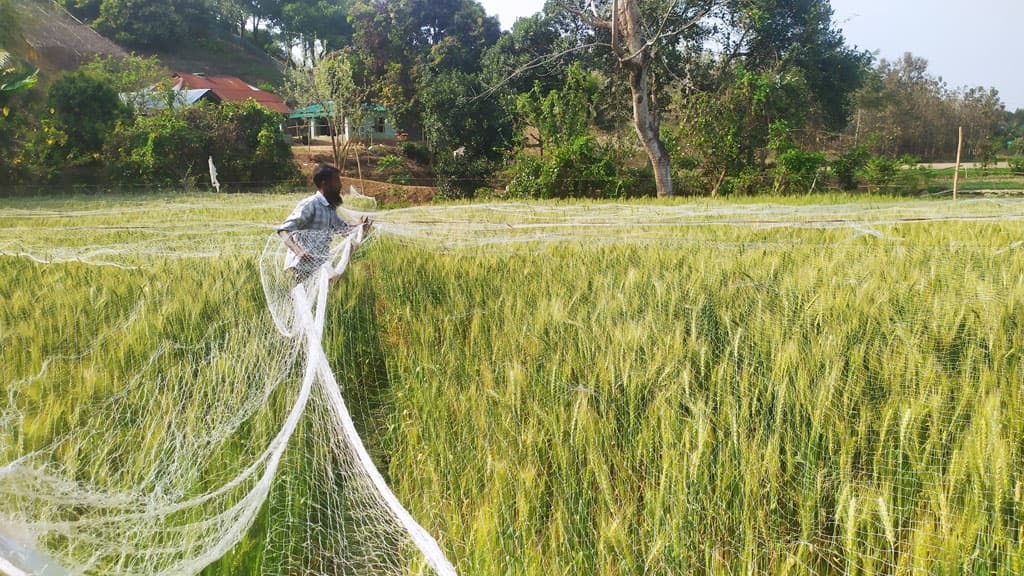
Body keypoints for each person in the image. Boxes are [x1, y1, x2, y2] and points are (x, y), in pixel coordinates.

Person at [277, 163, 371, 283]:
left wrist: (360, 227)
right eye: (336, 181)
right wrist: (298, 251)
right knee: (299, 298)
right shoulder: (311, 204)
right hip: (301, 267)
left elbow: (343, 230)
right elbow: (283, 230)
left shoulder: (330, 208)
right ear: (324, 183)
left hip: (319, 268)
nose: (340, 185)